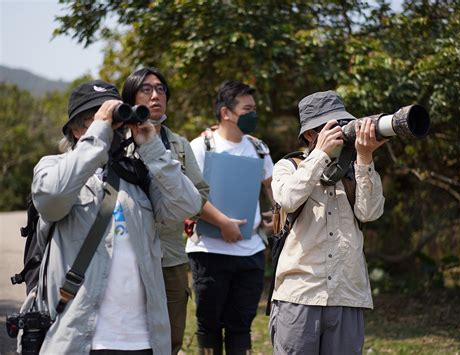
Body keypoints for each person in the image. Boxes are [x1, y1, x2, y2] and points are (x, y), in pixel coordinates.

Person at [20, 80, 201, 354]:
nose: (112, 130)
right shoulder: (52, 167)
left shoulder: (138, 177)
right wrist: (98, 133)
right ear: (78, 129)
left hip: (144, 340)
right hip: (79, 339)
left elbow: (188, 204)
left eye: (115, 121)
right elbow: (53, 200)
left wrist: (151, 147)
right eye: (100, 120)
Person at [269, 90, 387, 354]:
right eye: (332, 126)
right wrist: (320, 155)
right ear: (311, 134)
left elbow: (370, 213)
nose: (342, 131)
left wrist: (365, 158)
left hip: (346, 294)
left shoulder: (355, 169)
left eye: (344, 124)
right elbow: (288, 199)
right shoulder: (288, 166)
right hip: (300, 294)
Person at [122, 67, 209, 355]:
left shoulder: (179, 145)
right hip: (126, 255)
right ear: (131, 97)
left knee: (169, 339)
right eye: (146, 89)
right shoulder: (117, 144)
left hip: (170, 256)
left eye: (161, 89)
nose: (156, 95)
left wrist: (175, 211)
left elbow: (200, 194)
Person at [186, 80, 274, 354]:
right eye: (247, 109)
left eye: (254, 109)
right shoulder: (201, 147)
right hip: (208, 252)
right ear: (226, 112)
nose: (253, 115)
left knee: (241, 327)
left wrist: (277, 217)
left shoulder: (259, 149)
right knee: (208, 326)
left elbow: (275, 192)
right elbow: (187, 195)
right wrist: (222, 223)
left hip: (251, 254)